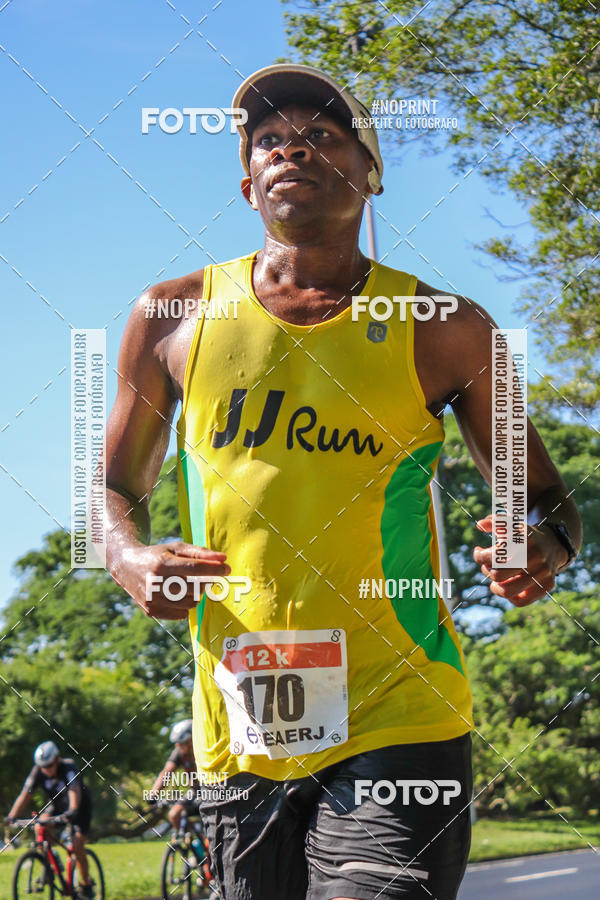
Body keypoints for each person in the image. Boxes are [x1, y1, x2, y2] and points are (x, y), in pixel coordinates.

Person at [104, 63, 582, 900]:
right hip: (235, 730)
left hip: (400, 709)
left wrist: (541, 548)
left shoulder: (448, 328)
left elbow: (550, 501)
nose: (293, 151)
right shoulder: (171, 317)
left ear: (369, 176)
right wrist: (127, 557)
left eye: (322, 137)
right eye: (270, 141)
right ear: (247, 182)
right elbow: (110, 492)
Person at [7, 741, 94, 898]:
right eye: (43, 766)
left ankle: (86, 884)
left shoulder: (68, 767)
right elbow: (25, 794)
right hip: (58, 808)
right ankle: (51, 865)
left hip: (79, 809)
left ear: (57, 759)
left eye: (49, 765)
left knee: (77, 844)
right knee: (40, 826)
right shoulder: (38, 771)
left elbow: (74, 790)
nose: (46, 769)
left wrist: (73, 810)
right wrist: (12, 816)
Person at [149, 718, 200, 832]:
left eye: (182, 743)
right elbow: (166, 773)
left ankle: (209, 846)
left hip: (212, 791)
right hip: (195, 791)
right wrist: (154, 793)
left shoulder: (204, 749)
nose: (178, 746)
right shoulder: (179, 752)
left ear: (191, 740)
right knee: (174, 815)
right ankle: (192, 841)